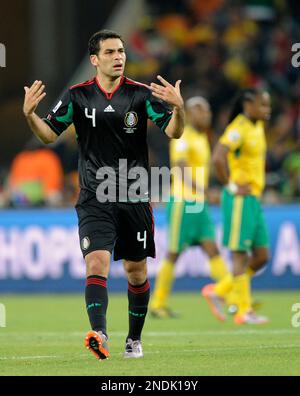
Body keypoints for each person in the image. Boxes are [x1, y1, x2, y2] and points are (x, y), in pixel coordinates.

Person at [23, 30, 185, 360]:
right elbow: (48, 135)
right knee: (96, 263)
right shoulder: (76, 96)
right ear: (95, 59)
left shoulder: (141, 95)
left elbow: (174, 131)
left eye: (121, 51)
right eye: (110, 51)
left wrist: (179, 109)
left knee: (135, 272)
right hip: (95, 196)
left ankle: (133, 340)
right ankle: (99, 332)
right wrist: (29, 116)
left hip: (135, 194)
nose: (119, 56)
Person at [150, 97, 231, 320]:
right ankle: (158, 303)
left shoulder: (202, 137)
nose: (206, 115)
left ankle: (232, 297)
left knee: (212, 250)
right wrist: (204, 191)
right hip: (183, 202)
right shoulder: (183, 135)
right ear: (192, 112)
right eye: (201, 111)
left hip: (199, 204)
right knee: (174, 253)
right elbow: (181, 168)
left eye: (208, 111)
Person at [202, 88, 271, 325]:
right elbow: (218, 158)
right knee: (240, 255)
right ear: (248, 105)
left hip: (253, 199)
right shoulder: (238, 129)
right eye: (263, 105)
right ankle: (243, 310)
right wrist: (231, 186)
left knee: (262, 256)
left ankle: (219, 290)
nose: (267, 110)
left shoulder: (257, 126)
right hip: (239, 199)